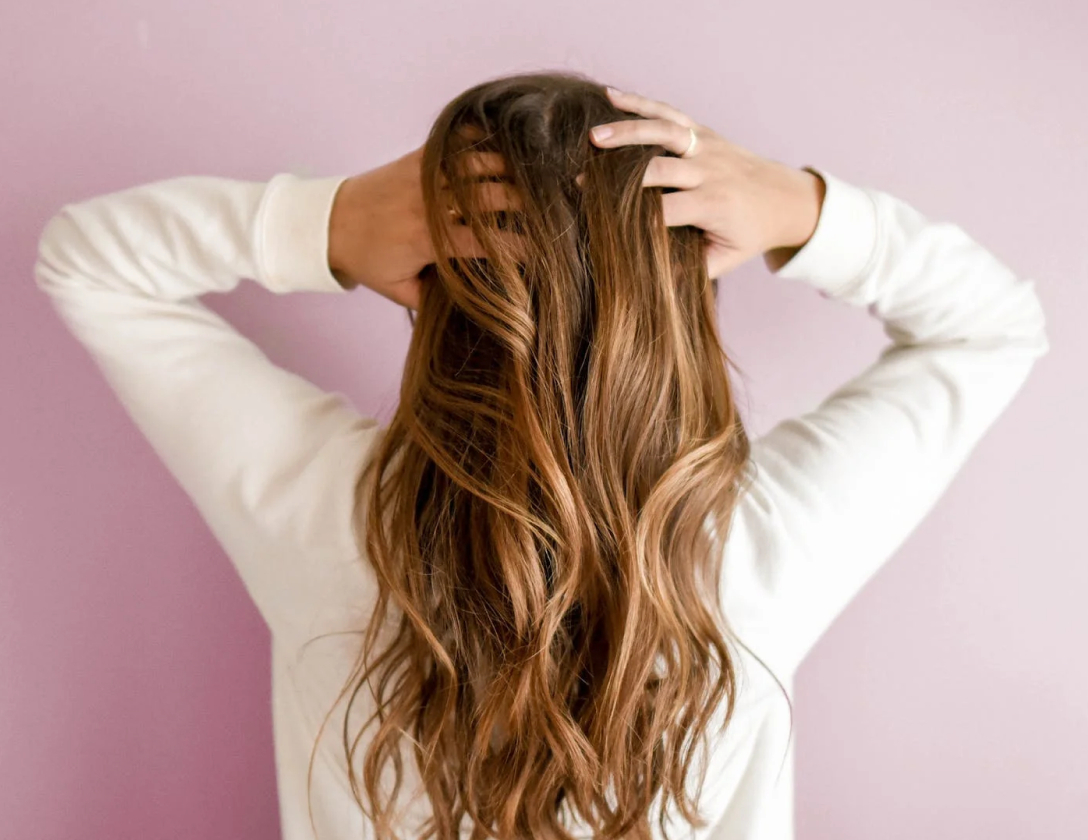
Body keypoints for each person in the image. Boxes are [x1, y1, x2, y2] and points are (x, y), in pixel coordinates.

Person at [33, 71, 1049, 840]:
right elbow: (992, 326)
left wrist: (332, 222)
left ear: (427, 284)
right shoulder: (752, 553)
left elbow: (88, 260)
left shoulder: (333, 520)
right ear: (683, 301)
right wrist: (797, 210)